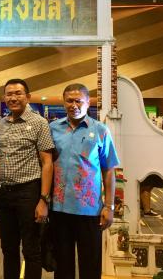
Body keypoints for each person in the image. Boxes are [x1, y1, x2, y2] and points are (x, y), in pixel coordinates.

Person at [50, 83, 120, 279]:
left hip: (89, 210)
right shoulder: (53, 129)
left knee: (90, 266)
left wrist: (109, 206)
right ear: (63, 103)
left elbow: (109, 170)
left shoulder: (100, 130)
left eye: (78, 101)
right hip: (59, 209)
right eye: (69, 101)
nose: (74, 105)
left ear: (88, 103)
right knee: (62, 267)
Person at [0, 78, 54, 279]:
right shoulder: (2, 124)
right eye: (9, 94)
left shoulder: (39, 123)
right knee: (8, 248)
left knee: (31, 249)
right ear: (4, 97)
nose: (13, 98)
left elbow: (47, 162)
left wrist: (43, 200)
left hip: (29, 193)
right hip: (5, 194)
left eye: (18, 93)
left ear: (28, 97)